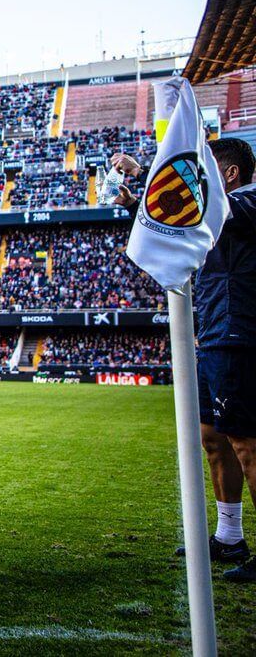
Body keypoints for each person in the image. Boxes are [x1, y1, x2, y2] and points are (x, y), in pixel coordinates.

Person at [115, 138, 256, 580]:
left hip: (241, 333)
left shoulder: (247, 201)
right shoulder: (219, 212)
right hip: (214, 332)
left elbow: (203, 207)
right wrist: (138, 203)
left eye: (206, 168)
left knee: (248, 443)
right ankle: (229, 537)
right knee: (213, 437)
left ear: (228, 174)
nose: (196, 176)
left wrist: (145, 174)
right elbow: (182, 225)